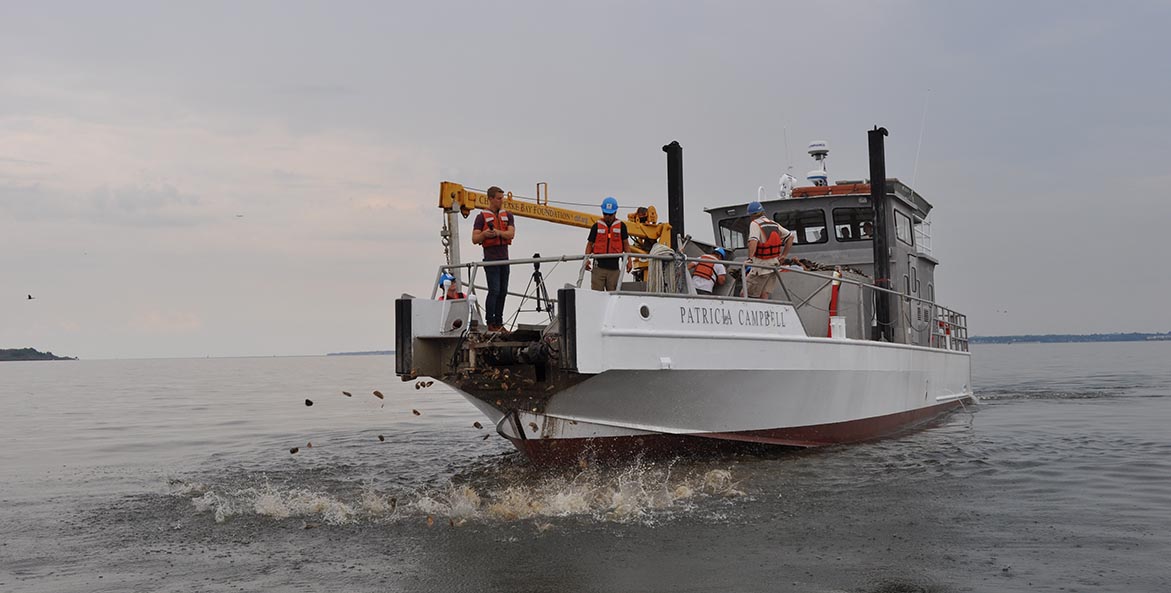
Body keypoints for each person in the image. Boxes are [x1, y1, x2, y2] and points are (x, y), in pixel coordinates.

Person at [471, 186, 515, 332]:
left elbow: (510, 234)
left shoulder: (508, 215)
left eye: (502, 198)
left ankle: (499, 322)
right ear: (490, 198)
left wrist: (497, 232)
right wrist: (485, 234)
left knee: (503, 291)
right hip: (491, 259)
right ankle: (491, 323)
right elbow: (475, 238)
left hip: (504, 259)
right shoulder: (480, 217)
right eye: (498, 198)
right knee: (494, 290)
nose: (501, 201)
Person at [744, 201, 794, 299]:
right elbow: (790, 236)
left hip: (760, 267)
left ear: (751, 215)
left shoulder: (755, 224)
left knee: (744, 294)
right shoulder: (774, 224)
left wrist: (750, 259)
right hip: (773, 267)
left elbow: (753, 241)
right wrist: (784, 255)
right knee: (764, 294)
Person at [584, 196, 631, 291]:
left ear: (615, 213)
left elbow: (626, 244)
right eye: (605, 214)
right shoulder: (596, 226)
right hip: (598, 268)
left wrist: (629, 260)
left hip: (614, 269)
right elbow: (589, 244)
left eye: (610, 214)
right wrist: (586, 259)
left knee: (613, 296)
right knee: (596, 295)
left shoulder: (622, 227)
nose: (607, 216)